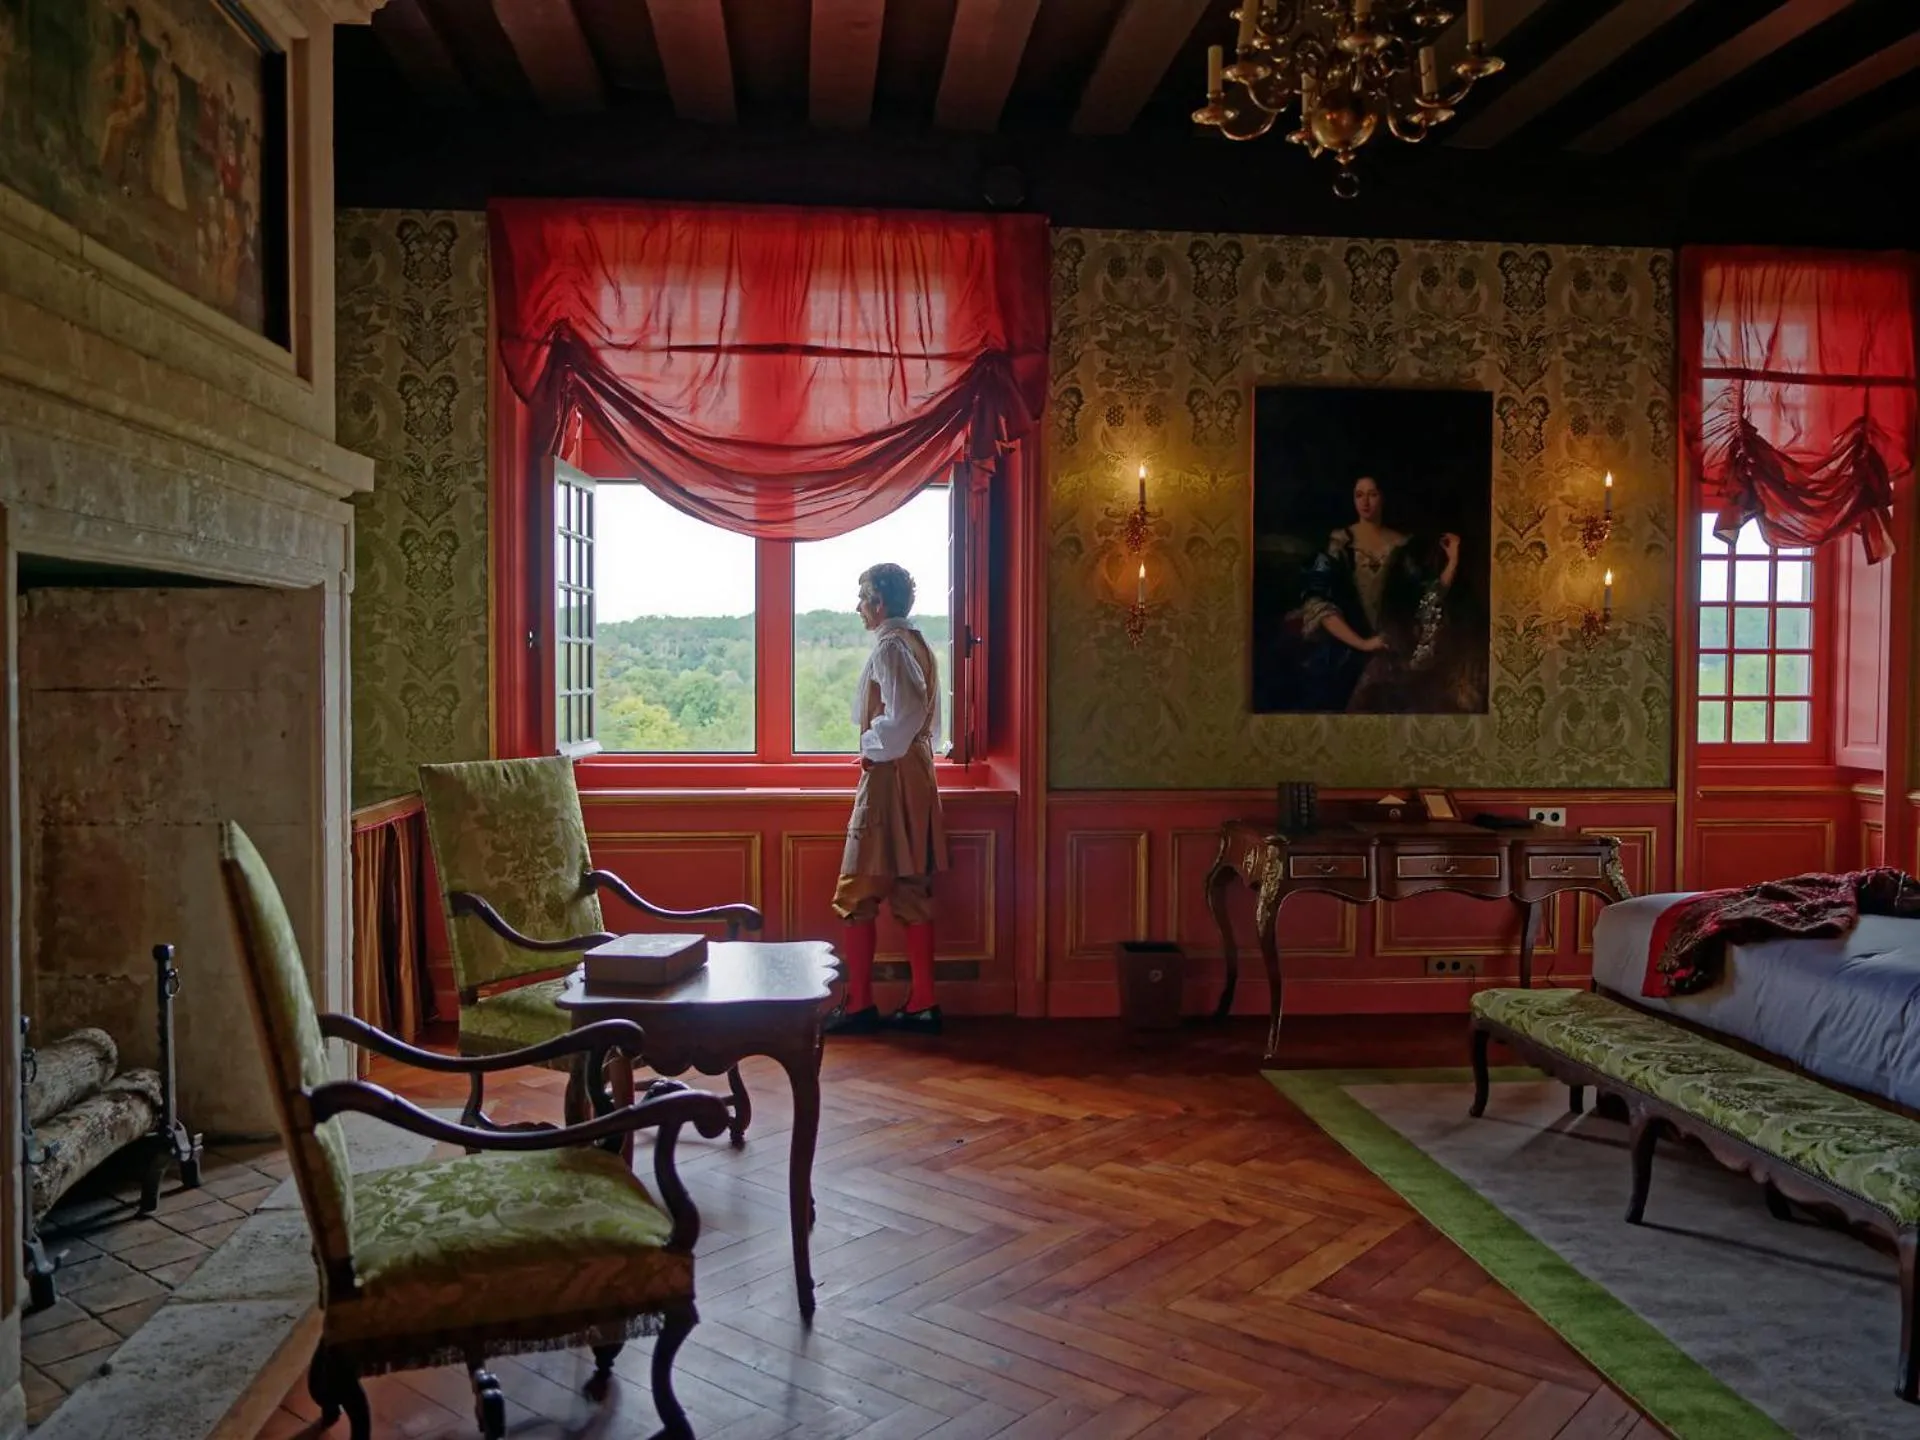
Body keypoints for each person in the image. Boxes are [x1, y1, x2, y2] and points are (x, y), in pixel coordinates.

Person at [826, 563, 948, 1036]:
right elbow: (926, 722)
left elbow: (904, 715)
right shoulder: (916, 643)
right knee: (911, 887)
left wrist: (871, 749)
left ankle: (858, 1004)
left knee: (855, 892)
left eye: (861, 598)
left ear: (878, 603)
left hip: (890, 776)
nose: (858, 608)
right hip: (915, 774)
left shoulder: (892, 647)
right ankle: (923, 1002)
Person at [1285, 475, 1459, 712]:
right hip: (1344, 653)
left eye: (1372, 494)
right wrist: (1363, 644)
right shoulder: (1339, 544)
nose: (1365, 502)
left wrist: (1453, 561)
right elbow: (1319, 601)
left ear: (1383, 497)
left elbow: (1427, 597)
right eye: (1359, 495)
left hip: (1392, 654)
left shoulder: (1402, 546)